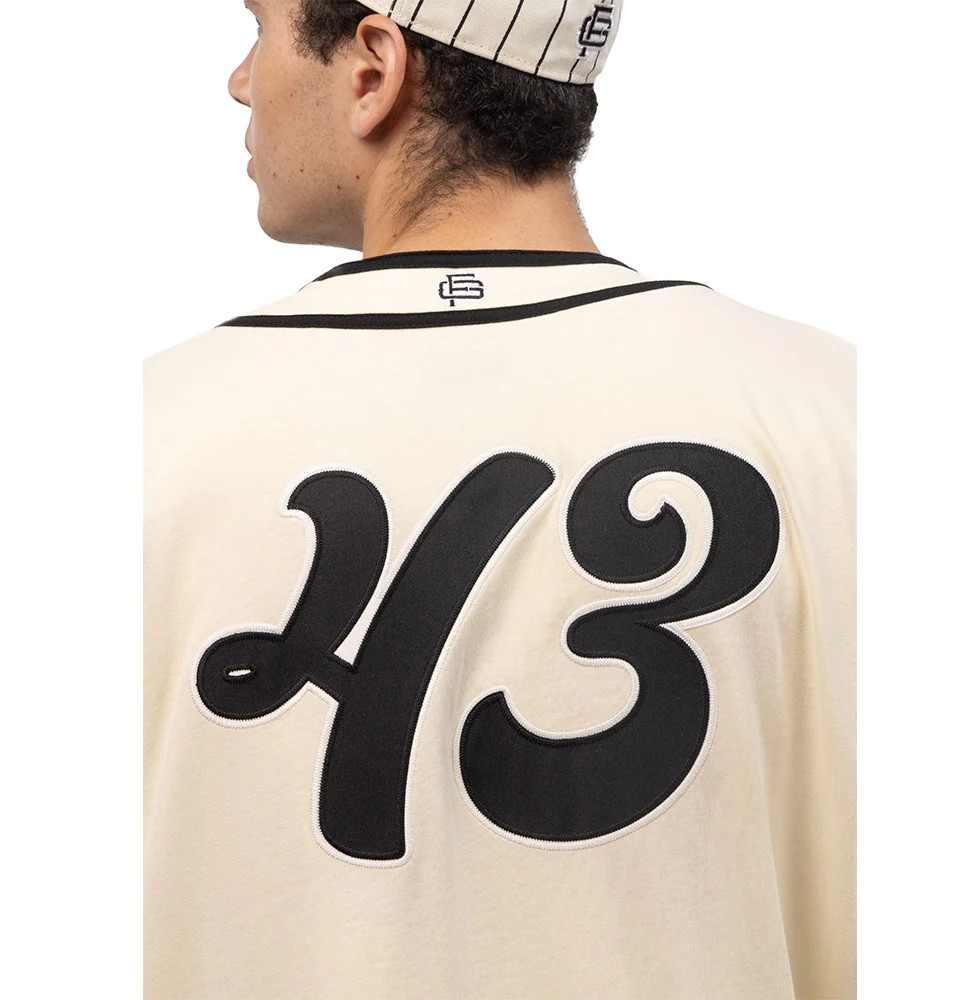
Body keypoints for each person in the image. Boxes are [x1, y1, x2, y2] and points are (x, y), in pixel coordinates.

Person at [144, 2, 856, 998]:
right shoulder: (837, 408)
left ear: (372, 69)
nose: (239, 81)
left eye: (258, 27)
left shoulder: (143, 433)